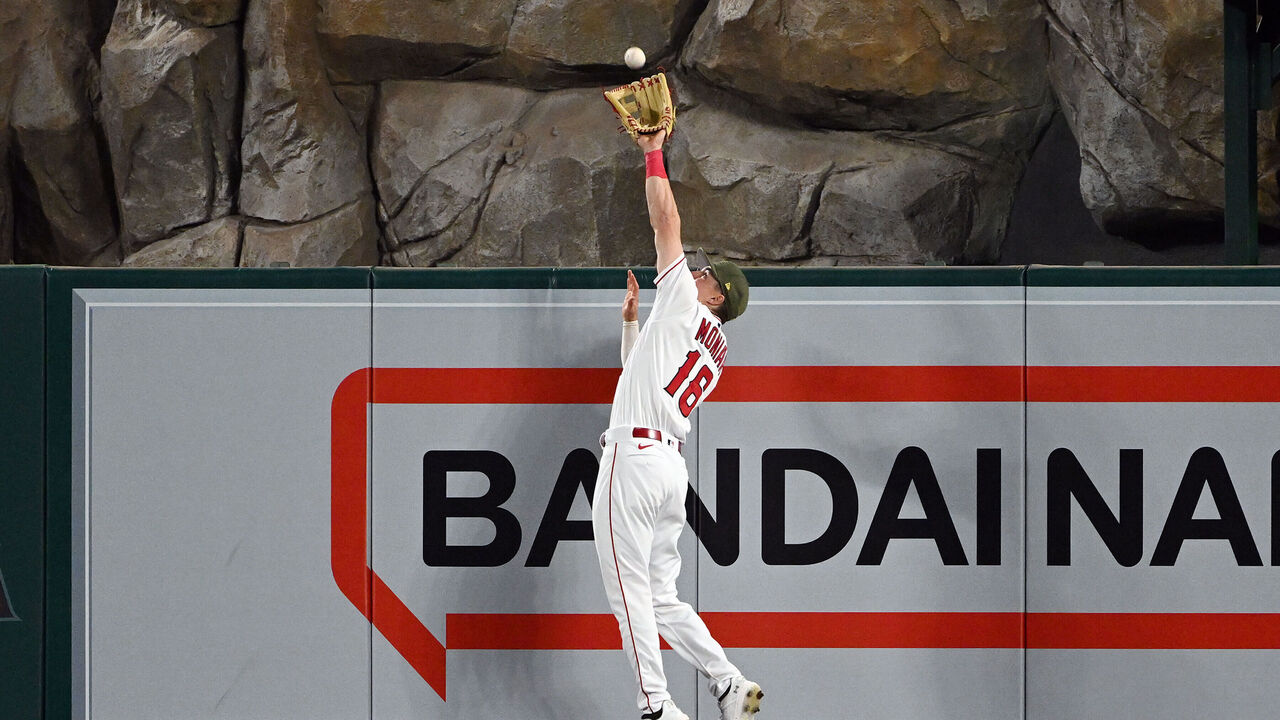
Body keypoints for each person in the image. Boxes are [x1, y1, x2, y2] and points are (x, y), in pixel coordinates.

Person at [591, 128, 760, 720]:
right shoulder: (715, 349)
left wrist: (653, 152)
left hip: (634, 461)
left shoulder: (687, 301)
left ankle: (657, 707)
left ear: (715, 296)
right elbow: (645, 379)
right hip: (667, 468)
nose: (700, 273)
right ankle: (730, 681)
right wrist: (634, 326)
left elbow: (666, 223)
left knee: (629, 592)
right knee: (661, 596)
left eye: (710, 275)